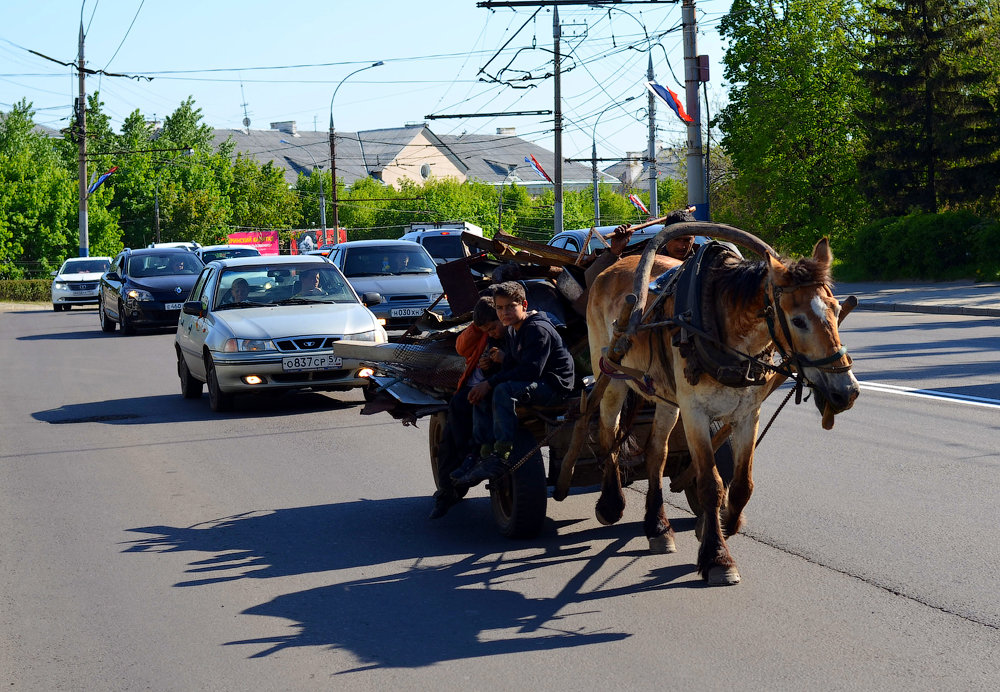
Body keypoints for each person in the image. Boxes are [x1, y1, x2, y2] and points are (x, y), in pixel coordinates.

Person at [454, 281, 576, 486]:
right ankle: (485, 453)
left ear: (524, 305)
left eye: (511, 306)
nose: (505, 313)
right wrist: (489, 374)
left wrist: (491, 382)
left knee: (502, 390)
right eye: (500, 308)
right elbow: (513, 364)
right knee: (482, 394)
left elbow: (531, 370)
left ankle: (502, 453)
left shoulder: (537, 329)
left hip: (555, 385)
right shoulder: (512, 330)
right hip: (536, 380)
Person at [429, 296, 505, 519]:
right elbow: (461, 348)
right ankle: (447, 491)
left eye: (492, 327)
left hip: (492, 389)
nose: (491, 331)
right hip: (470, 387)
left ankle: (471, 457)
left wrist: (495, 366)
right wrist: (476, 326)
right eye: (487, 328)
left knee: (461, 422)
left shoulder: (512, 330)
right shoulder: (482, 332)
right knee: (449, 439)